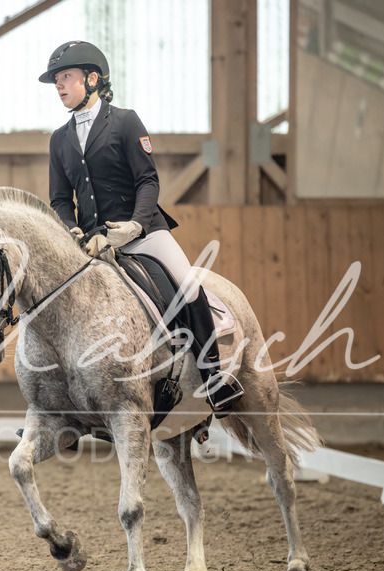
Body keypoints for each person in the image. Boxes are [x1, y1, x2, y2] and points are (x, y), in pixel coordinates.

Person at [40, 40, 242, 412]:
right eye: (56, 80)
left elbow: (147, 180)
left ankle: (214, 377)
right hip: (91, 245)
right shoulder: (59, 140)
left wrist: (135, 225)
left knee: (186, 283)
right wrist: (71, 230)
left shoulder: (126, 121)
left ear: (92, 78)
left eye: (65, 77)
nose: (59, 85)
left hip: (142, 233)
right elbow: (57, 200)